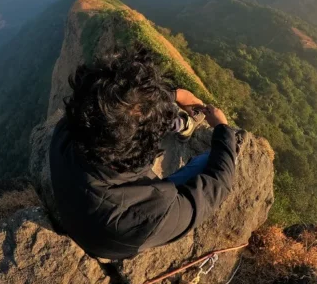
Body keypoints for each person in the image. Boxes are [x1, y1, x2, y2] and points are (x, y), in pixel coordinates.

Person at [49, 47, 246, 260]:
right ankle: (179, 125)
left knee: (135, 121)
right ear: (148, 149)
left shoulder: (69, 130)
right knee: (211, 160)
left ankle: (175, 123)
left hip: (82, 202)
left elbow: (116, 107)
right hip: (108, 243)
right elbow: (218, 184)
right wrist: (223, 129)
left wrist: (174, 95)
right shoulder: (151, 215)